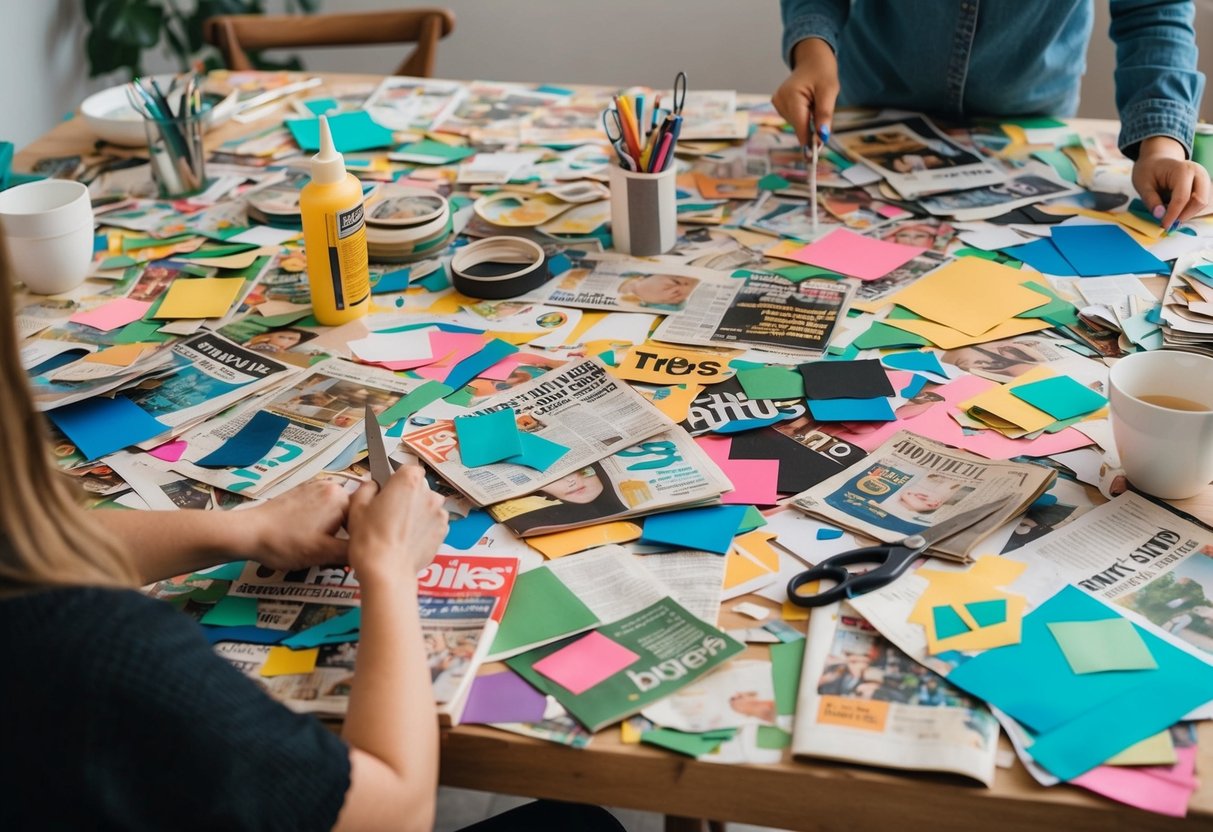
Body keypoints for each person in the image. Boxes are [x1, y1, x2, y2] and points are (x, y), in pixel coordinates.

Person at [0, 246, 623, 831]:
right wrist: (388, 570)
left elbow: (26, 545)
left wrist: (240, 526)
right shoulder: (109, 653)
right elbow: (396, 811)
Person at [772, 0, 1209, 229]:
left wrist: (1161, 144)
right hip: (870, 106)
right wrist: (814, 52)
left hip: (1027, 124)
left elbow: (1153, 12)